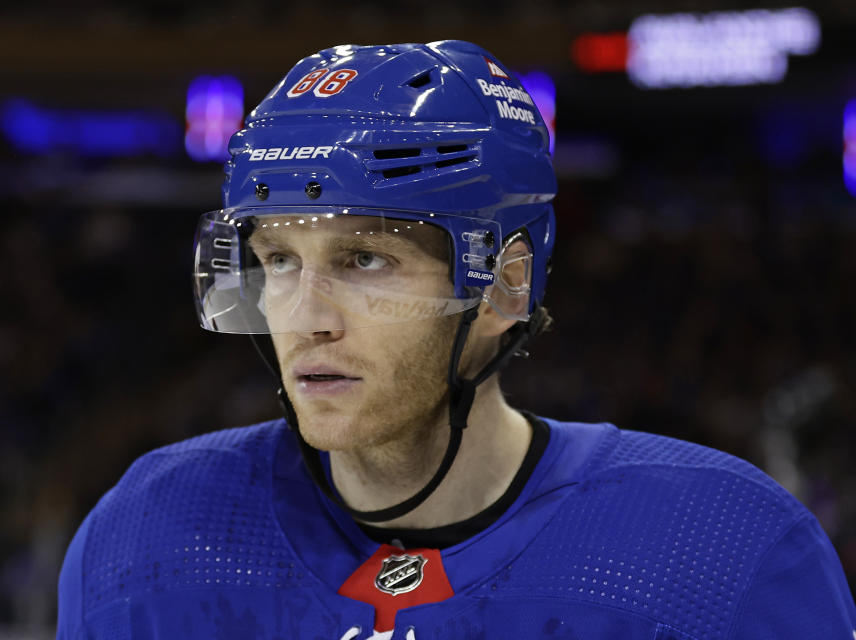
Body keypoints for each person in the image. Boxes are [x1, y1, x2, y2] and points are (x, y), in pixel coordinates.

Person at [56, 41, 856, 639]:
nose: (306, 314)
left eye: (365, 259)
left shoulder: (723, 546)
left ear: (506, 281)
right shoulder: (152, 530)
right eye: (278, 261)